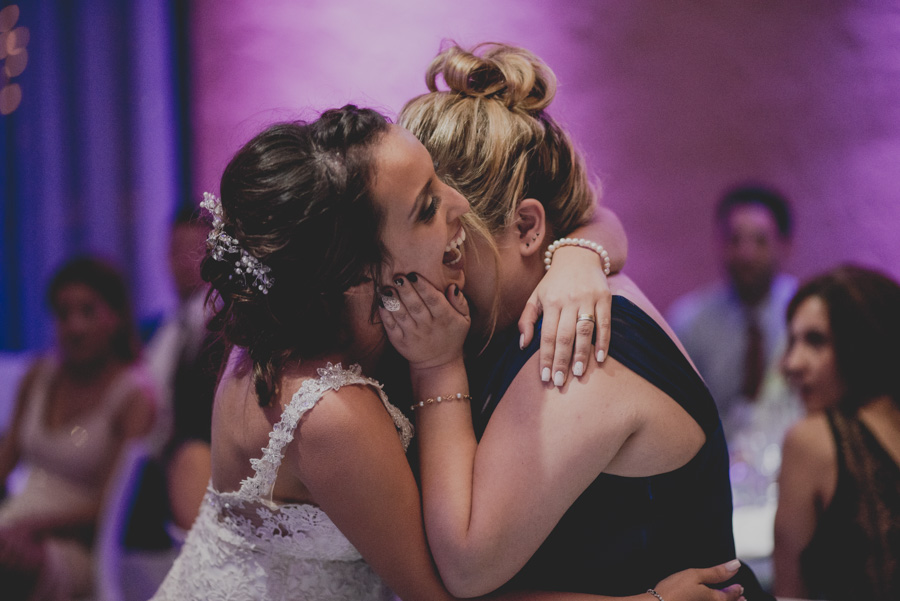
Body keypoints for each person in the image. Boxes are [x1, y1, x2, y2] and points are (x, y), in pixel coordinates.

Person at [150, 105, 745, 601]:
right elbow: (451, 590)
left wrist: (578, 254)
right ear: (361, 269)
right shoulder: (329, 409)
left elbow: (593, 218)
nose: (455, 205)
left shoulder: (332, 327)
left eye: (440, 182)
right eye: (429, 207)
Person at [392, 42, 769, 599]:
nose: (434, 284)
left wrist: (436, 366)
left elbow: (467, 566)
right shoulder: (543, 295)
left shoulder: (577, 340)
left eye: (454, 255)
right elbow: (594, 221)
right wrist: (579, 250)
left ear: (526, 227)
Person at [0, 256, 157, 601]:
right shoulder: (37, 376)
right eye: (63, 313)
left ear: (115, 317)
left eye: (87, 311)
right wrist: (16, 527)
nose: (74, 326)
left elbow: (112, 506)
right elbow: (5, 461)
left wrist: (33, 528)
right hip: (14, 525)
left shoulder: (133, 397)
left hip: (76, 546)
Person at [666, 184, 802, 510]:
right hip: (713, 485)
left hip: (792, 479)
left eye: (759, 240)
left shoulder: (805, 316)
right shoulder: (690, 322)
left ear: (784, 245)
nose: (746, 254)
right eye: (734, 239)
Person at [774, 265, 900, 601]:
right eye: (792, 341)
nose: (792, 363)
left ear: (865, 342)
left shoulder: (811, 441)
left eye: (816, 341)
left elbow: (790, 597)